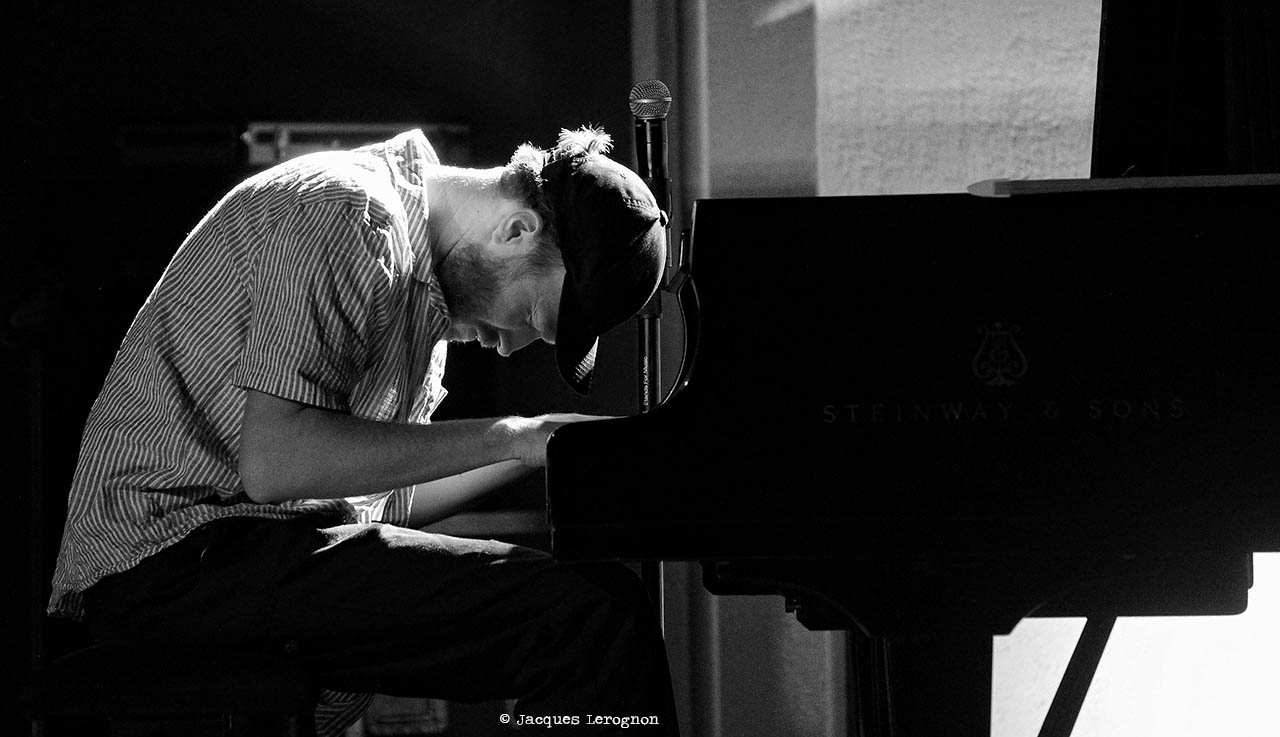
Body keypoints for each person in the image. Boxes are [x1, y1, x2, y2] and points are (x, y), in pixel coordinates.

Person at [47, 125, 678, 735]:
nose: (512, 347)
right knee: (590, 619)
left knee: (595, 610)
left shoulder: (418, 299)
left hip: (238, 553)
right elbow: (277, 465)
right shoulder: (349, 213)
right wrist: (513, 434)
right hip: (171, 562)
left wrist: (543, 448)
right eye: (537, 315)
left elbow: (377, 500)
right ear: (517, 230)